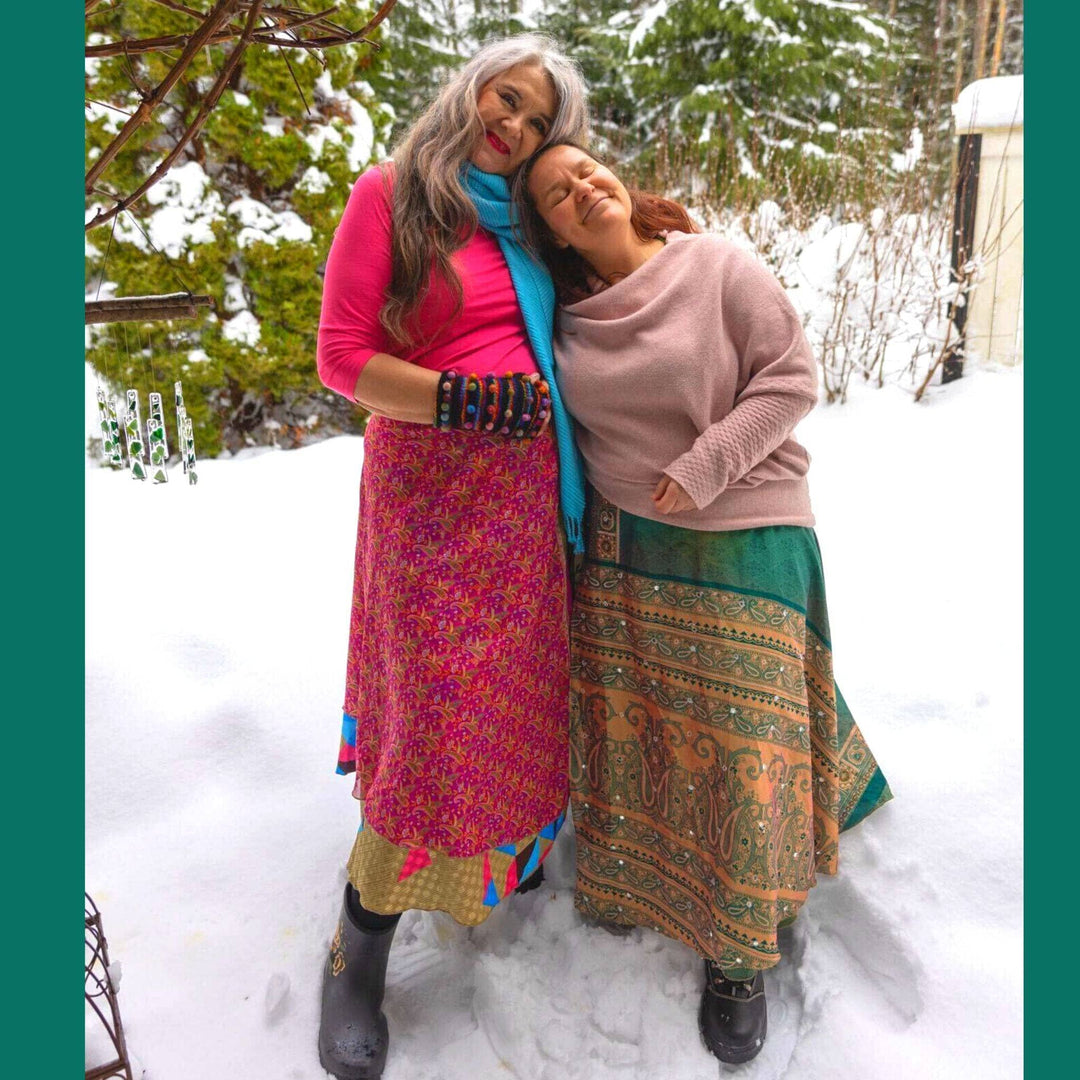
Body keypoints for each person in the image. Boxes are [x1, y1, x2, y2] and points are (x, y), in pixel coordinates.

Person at [515, 141, 893, 1066]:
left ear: (618, 178)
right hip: (625, 549)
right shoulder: (563, 321)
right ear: (552, 231)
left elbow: (792, 378)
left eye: (587, 170)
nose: (581, 190)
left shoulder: (715, 265)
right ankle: (638, 885)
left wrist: (705, 465)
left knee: (743, 747)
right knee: (644, 727)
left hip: (745, 526)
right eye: (557, 195)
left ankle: (739, 953)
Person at [315, 39, 588, 1080]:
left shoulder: (527, 220)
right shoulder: (390, 197)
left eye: (534, 124)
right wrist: (457, 399)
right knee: (432, 722)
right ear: (469, 87)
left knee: (514, 704)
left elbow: (602, 244)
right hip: (430, 501)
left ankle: (499, 864)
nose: (509, 125)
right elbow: (342, 358)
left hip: (524, 508)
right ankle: (359, 945)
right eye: (504, 98)